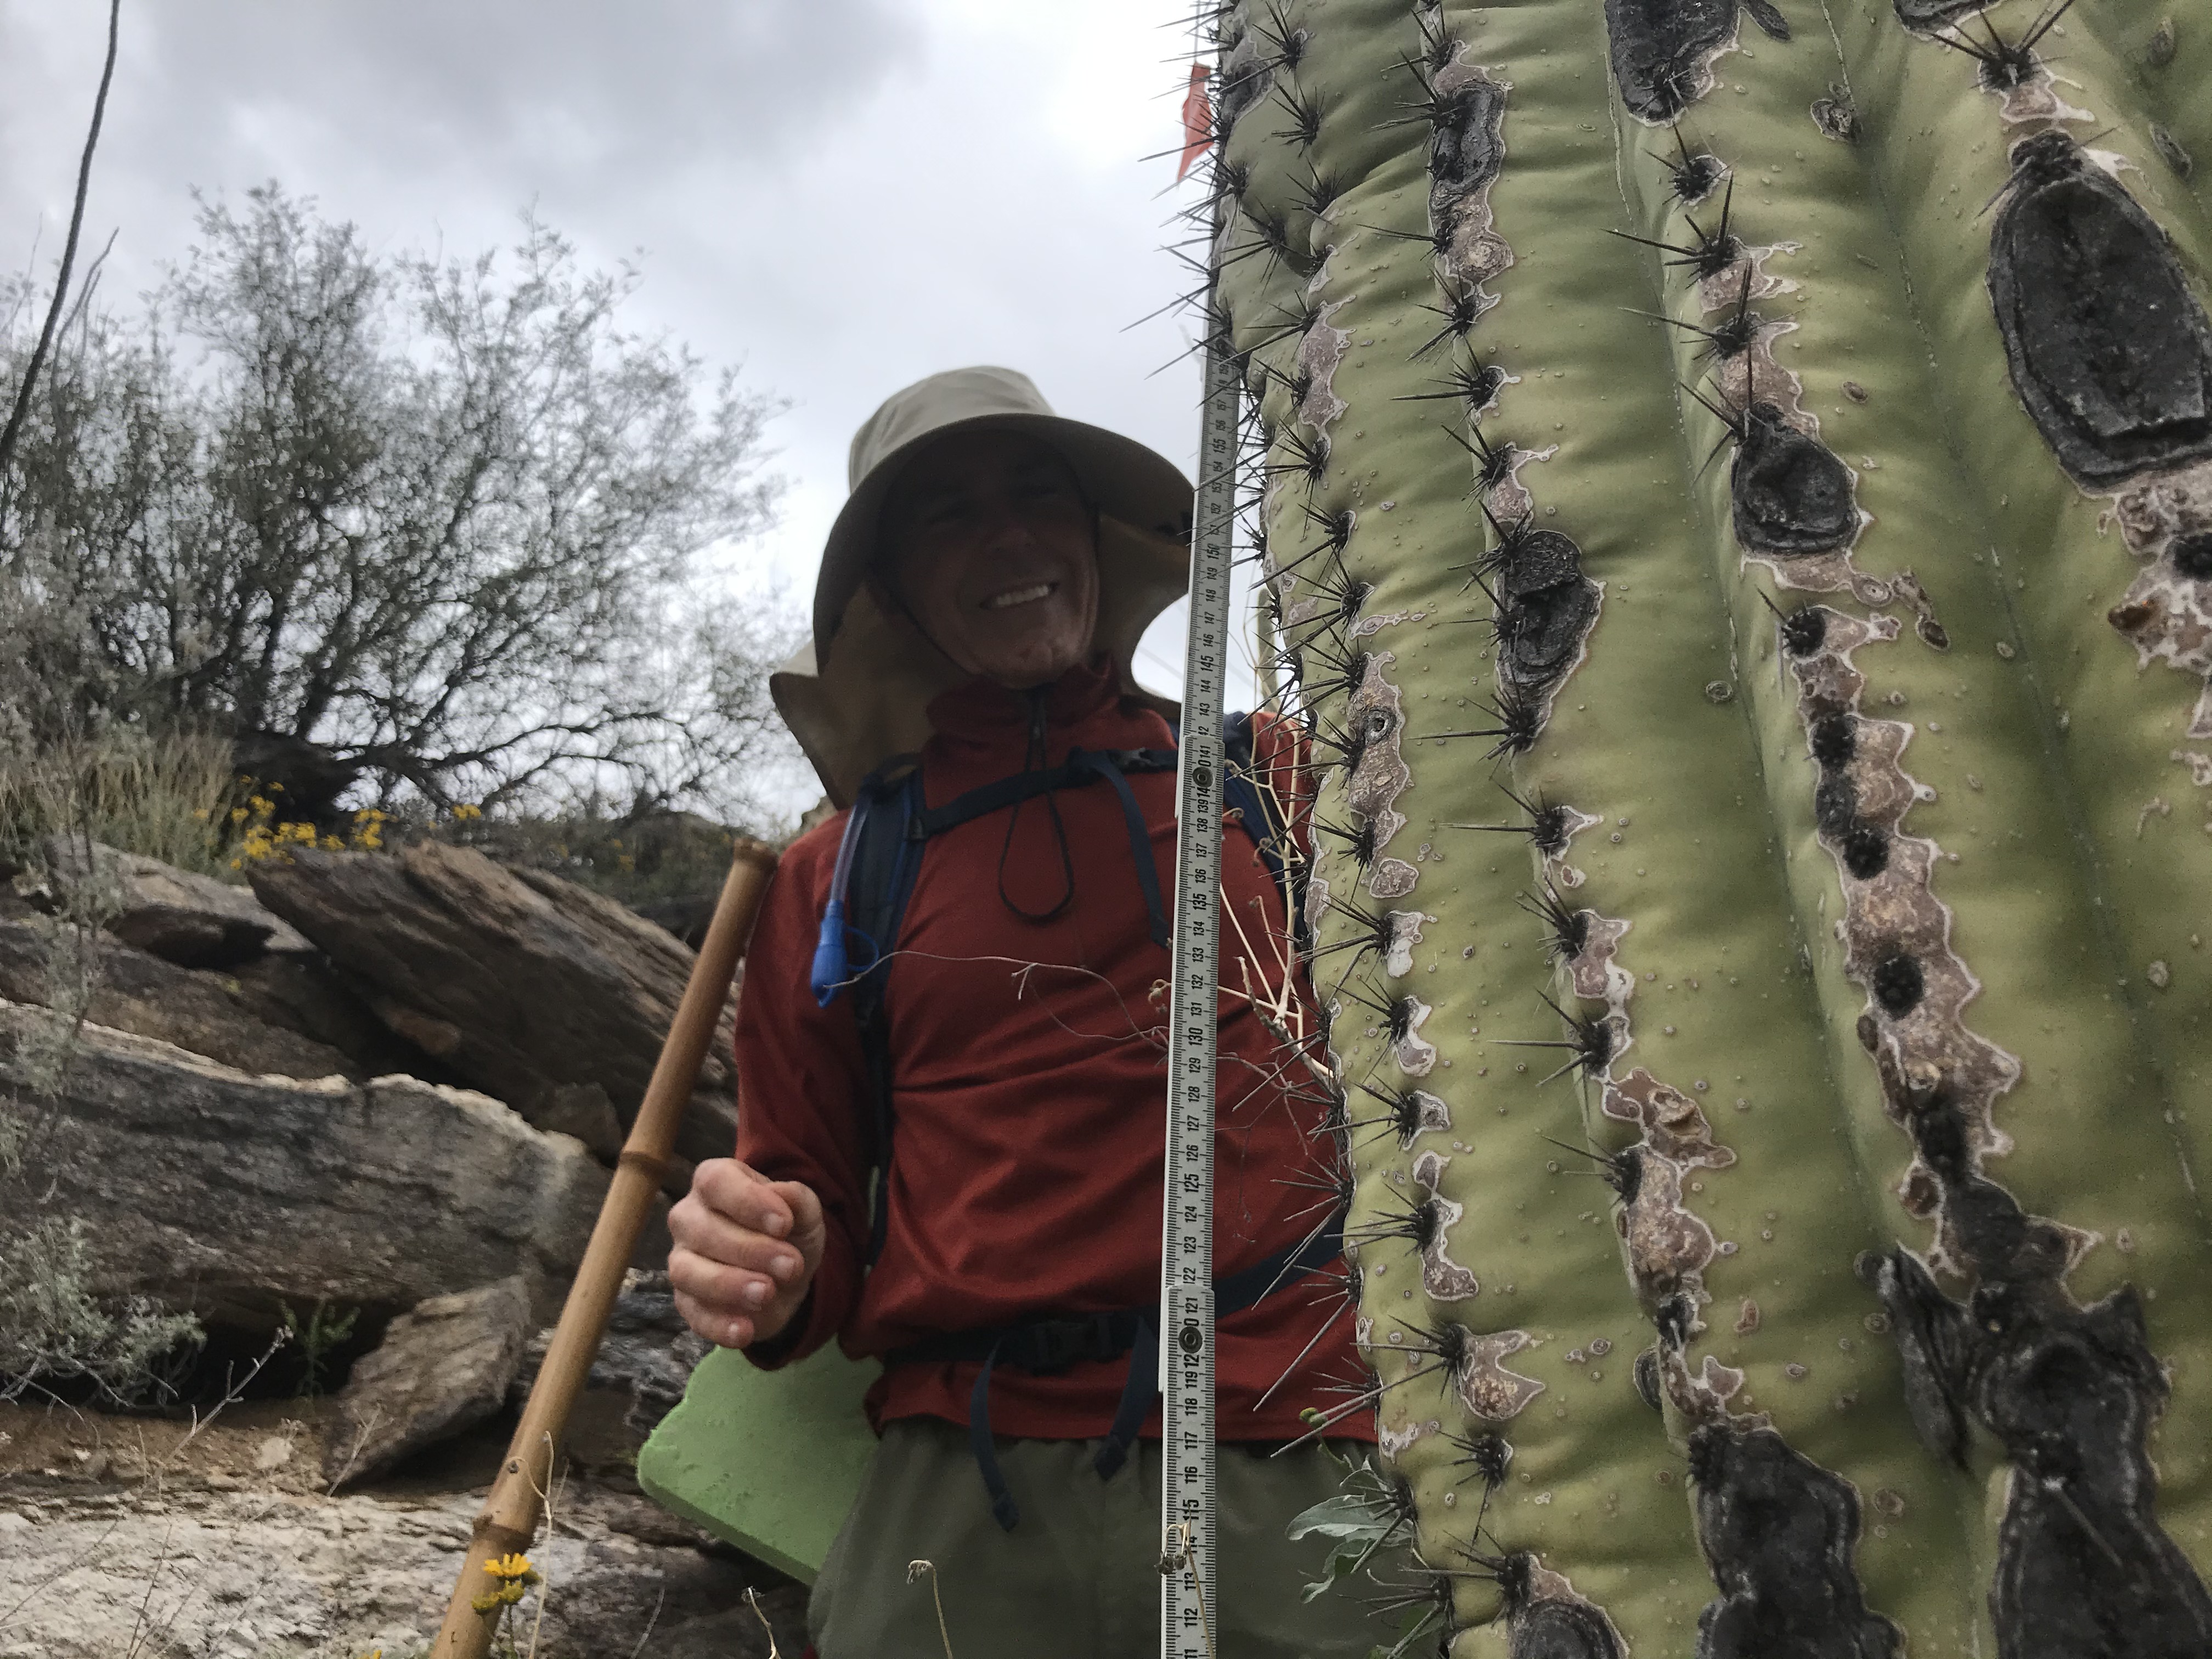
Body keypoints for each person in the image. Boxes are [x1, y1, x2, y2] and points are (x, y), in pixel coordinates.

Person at [667, 367, 1373, 1657]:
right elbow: (801, 1198)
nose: (1008, 536)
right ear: (892, 593)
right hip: (961, 1484)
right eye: (949, 514)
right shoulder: (835, 877)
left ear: (1093, 535)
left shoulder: (1273, 786)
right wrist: (768, 1257)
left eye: (1037, 493)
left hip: (1291, 1447)